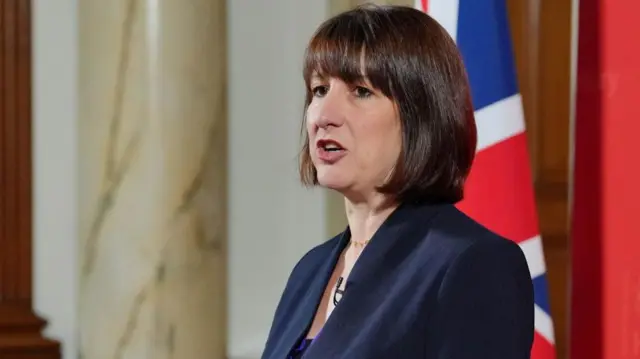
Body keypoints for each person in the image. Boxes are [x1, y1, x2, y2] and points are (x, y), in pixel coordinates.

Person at [261, 4, 534, 359]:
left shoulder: (473, 265)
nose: (324, 116)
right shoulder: (310, 269)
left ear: (419, 115)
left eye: (360, 91)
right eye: (319, 90)